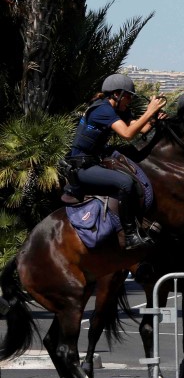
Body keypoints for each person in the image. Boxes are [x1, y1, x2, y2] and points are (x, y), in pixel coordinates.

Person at [66, 73, 167, 249]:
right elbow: (127, 134)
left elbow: (140, 128)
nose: (129, 100)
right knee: (125, 183)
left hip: (95, 162)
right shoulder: (102, 110)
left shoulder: (118, 110)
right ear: (116, 94)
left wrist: (153, 118)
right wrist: (149, 110)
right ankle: (129, 235)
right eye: (128, 96)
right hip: (82, 167)